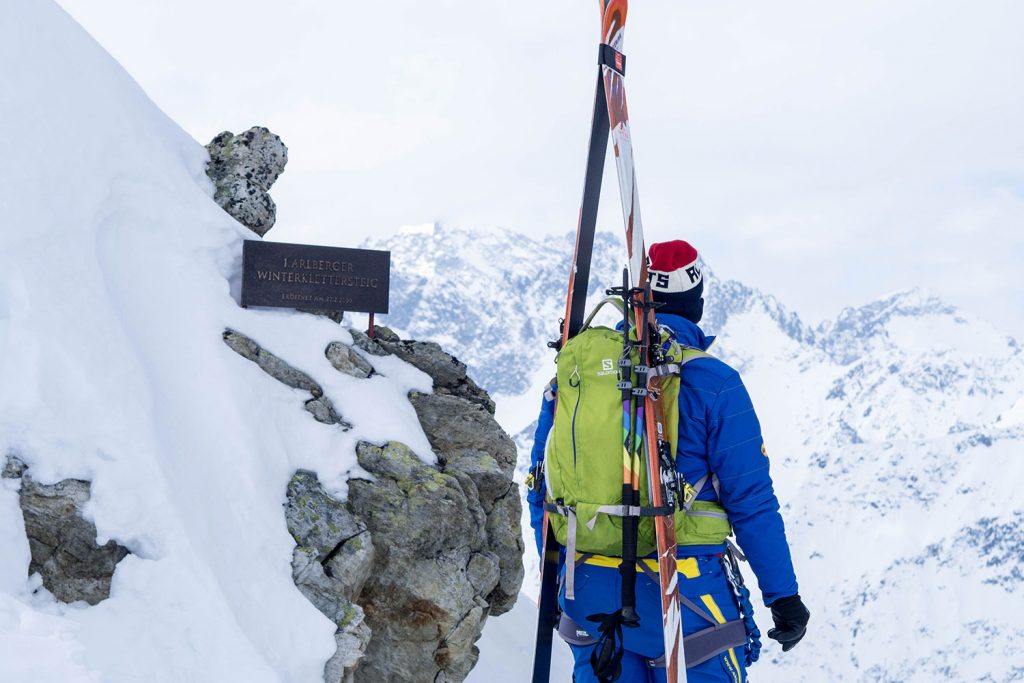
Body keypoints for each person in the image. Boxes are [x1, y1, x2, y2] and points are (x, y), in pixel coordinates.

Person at [526, 240, 809, 682]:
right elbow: (751, 500)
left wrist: (557, 567)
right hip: (685, 591)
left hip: (587, 591)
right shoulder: (714, 382)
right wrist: (783, 597)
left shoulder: (578, 371)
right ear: (696, 302)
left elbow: (542, 483)